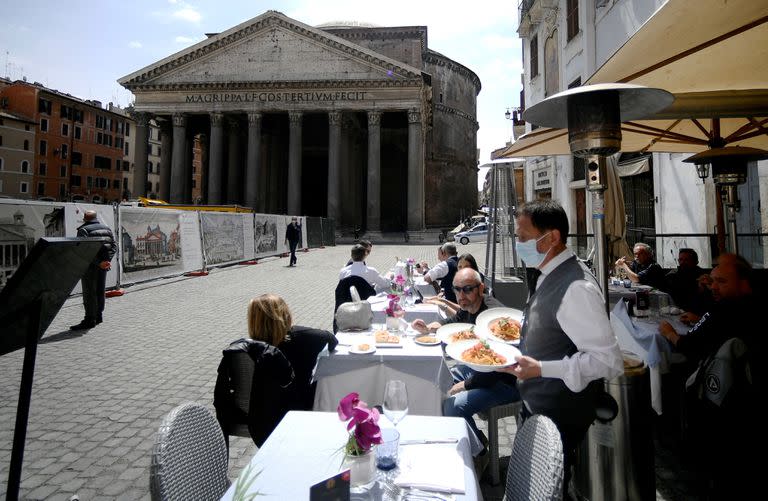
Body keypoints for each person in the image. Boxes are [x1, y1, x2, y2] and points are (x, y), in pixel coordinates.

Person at [500, 200, 623, 498]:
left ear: (552, 238)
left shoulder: (576, 288)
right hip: (536, 406)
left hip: (558, 415)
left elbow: (607, 361)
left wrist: (542, 369)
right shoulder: (547, 272)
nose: (518, 244)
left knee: (547, 489)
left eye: (523, 237)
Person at [658, 254, 761, 498]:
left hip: (721, 404)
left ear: (744, 282)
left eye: (721, 282)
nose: (714, 286)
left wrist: (670, 333)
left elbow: (688, 344)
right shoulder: (747, 305)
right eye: (711, 281)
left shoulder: (724, 310)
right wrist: (705, 302)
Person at [247, 293, 338, 410]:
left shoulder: (248, 349)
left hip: (263, 416)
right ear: (285, 315)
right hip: (300, 409)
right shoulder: (303, 337)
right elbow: (332, 340)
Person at [410, 267, 502, 335]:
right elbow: (449, 322)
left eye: (468, 289)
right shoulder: (468, 306)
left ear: (481, 289)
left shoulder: (493, 314)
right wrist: (427, 328)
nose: (461, 296)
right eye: (457, 289)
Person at [70, 210, 116, 330]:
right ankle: (99, 316)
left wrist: (98, 263)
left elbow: (83, 251)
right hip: (103, 266)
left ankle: (89, 319)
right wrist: (106, 261)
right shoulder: (107, 229)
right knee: (100, 290)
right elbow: (114, 246)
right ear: (96, 217)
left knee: (89, 292)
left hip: (90, 266)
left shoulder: (83, 230)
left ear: (85, 218)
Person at [662, 248, 711, 314]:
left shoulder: (701, 275)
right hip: (673, 309)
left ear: (695, 261)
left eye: (686, 260)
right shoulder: (674, 274)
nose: (682, 262)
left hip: (693, 311)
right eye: (681, 260)